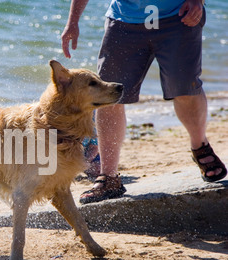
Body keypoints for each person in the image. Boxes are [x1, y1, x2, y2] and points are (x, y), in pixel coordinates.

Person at [61, 0, 227, 204]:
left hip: (178, 15)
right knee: (109, 97)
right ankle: (109, 176)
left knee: (185, 89)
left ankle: (199, 145)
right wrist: (73, 21)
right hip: (124, 20)